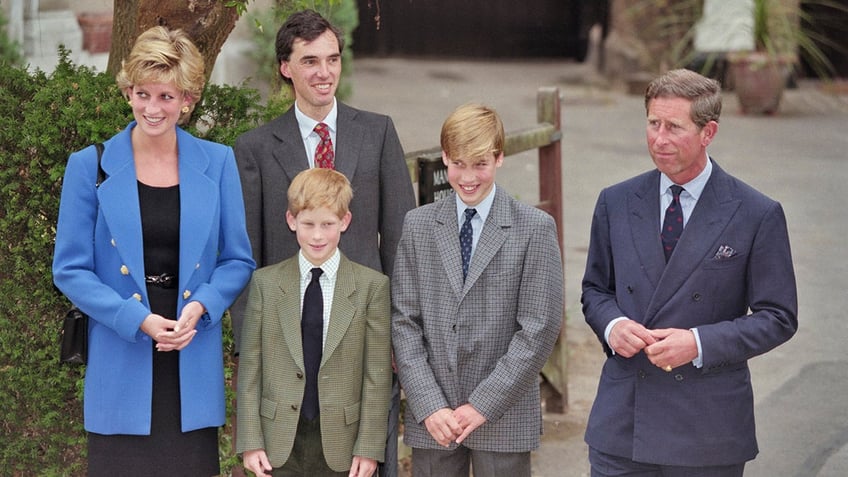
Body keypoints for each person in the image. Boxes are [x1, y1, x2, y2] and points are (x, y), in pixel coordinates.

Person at [51, 26, 255, 476]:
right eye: (142, 93)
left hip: (190, 354)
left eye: (166, 96)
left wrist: (202, 305)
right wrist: (135, 318)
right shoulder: (91, 165)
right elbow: (69, 268)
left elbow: (238, 259)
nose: (152, 108)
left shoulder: (217, 162)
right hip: (121, 352)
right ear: (127, 92)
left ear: (188, 99)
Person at [581, 68, 798, 476]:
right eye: (652, 123)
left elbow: (778, 317)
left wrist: (698, 343)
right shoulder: (616, 201)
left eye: (674, 127)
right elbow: (595, 289)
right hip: (624, 422)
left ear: (708, 132)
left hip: (707, 430)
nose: (659, 139)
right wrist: (613, 326)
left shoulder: (755, 212)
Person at [231, 9, 415, 477]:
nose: (324, 72)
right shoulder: (254, 148)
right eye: (310, 61)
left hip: (364, 335)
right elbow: (246, 254)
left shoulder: (377, 133)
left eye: (332, 59)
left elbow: (400, 241)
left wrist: (401, 331)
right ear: (285, 67)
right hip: (289, 337)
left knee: (367, 459)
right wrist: (249, 344)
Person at [391, 103, 563, 476]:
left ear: (499, 158)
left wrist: (484, 404)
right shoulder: (418, 226)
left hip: (503, 415)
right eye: (458, 164)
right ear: (444, 159)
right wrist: (428, 403)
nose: (468, 177)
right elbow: (404, 321)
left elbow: (539, 328)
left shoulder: (534, 228)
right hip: (434, 419)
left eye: (480, 164)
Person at [237, 167, 392, 477]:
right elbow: (251, 368)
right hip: (278, 441)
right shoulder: (266, 284)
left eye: (328, 224)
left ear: (345, 222)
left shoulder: (371, 287)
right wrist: (251, 440)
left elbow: (376, 375)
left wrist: (369, 447)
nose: (317, 235)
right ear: (291, 220)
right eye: (308, 224)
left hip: (342, 444)